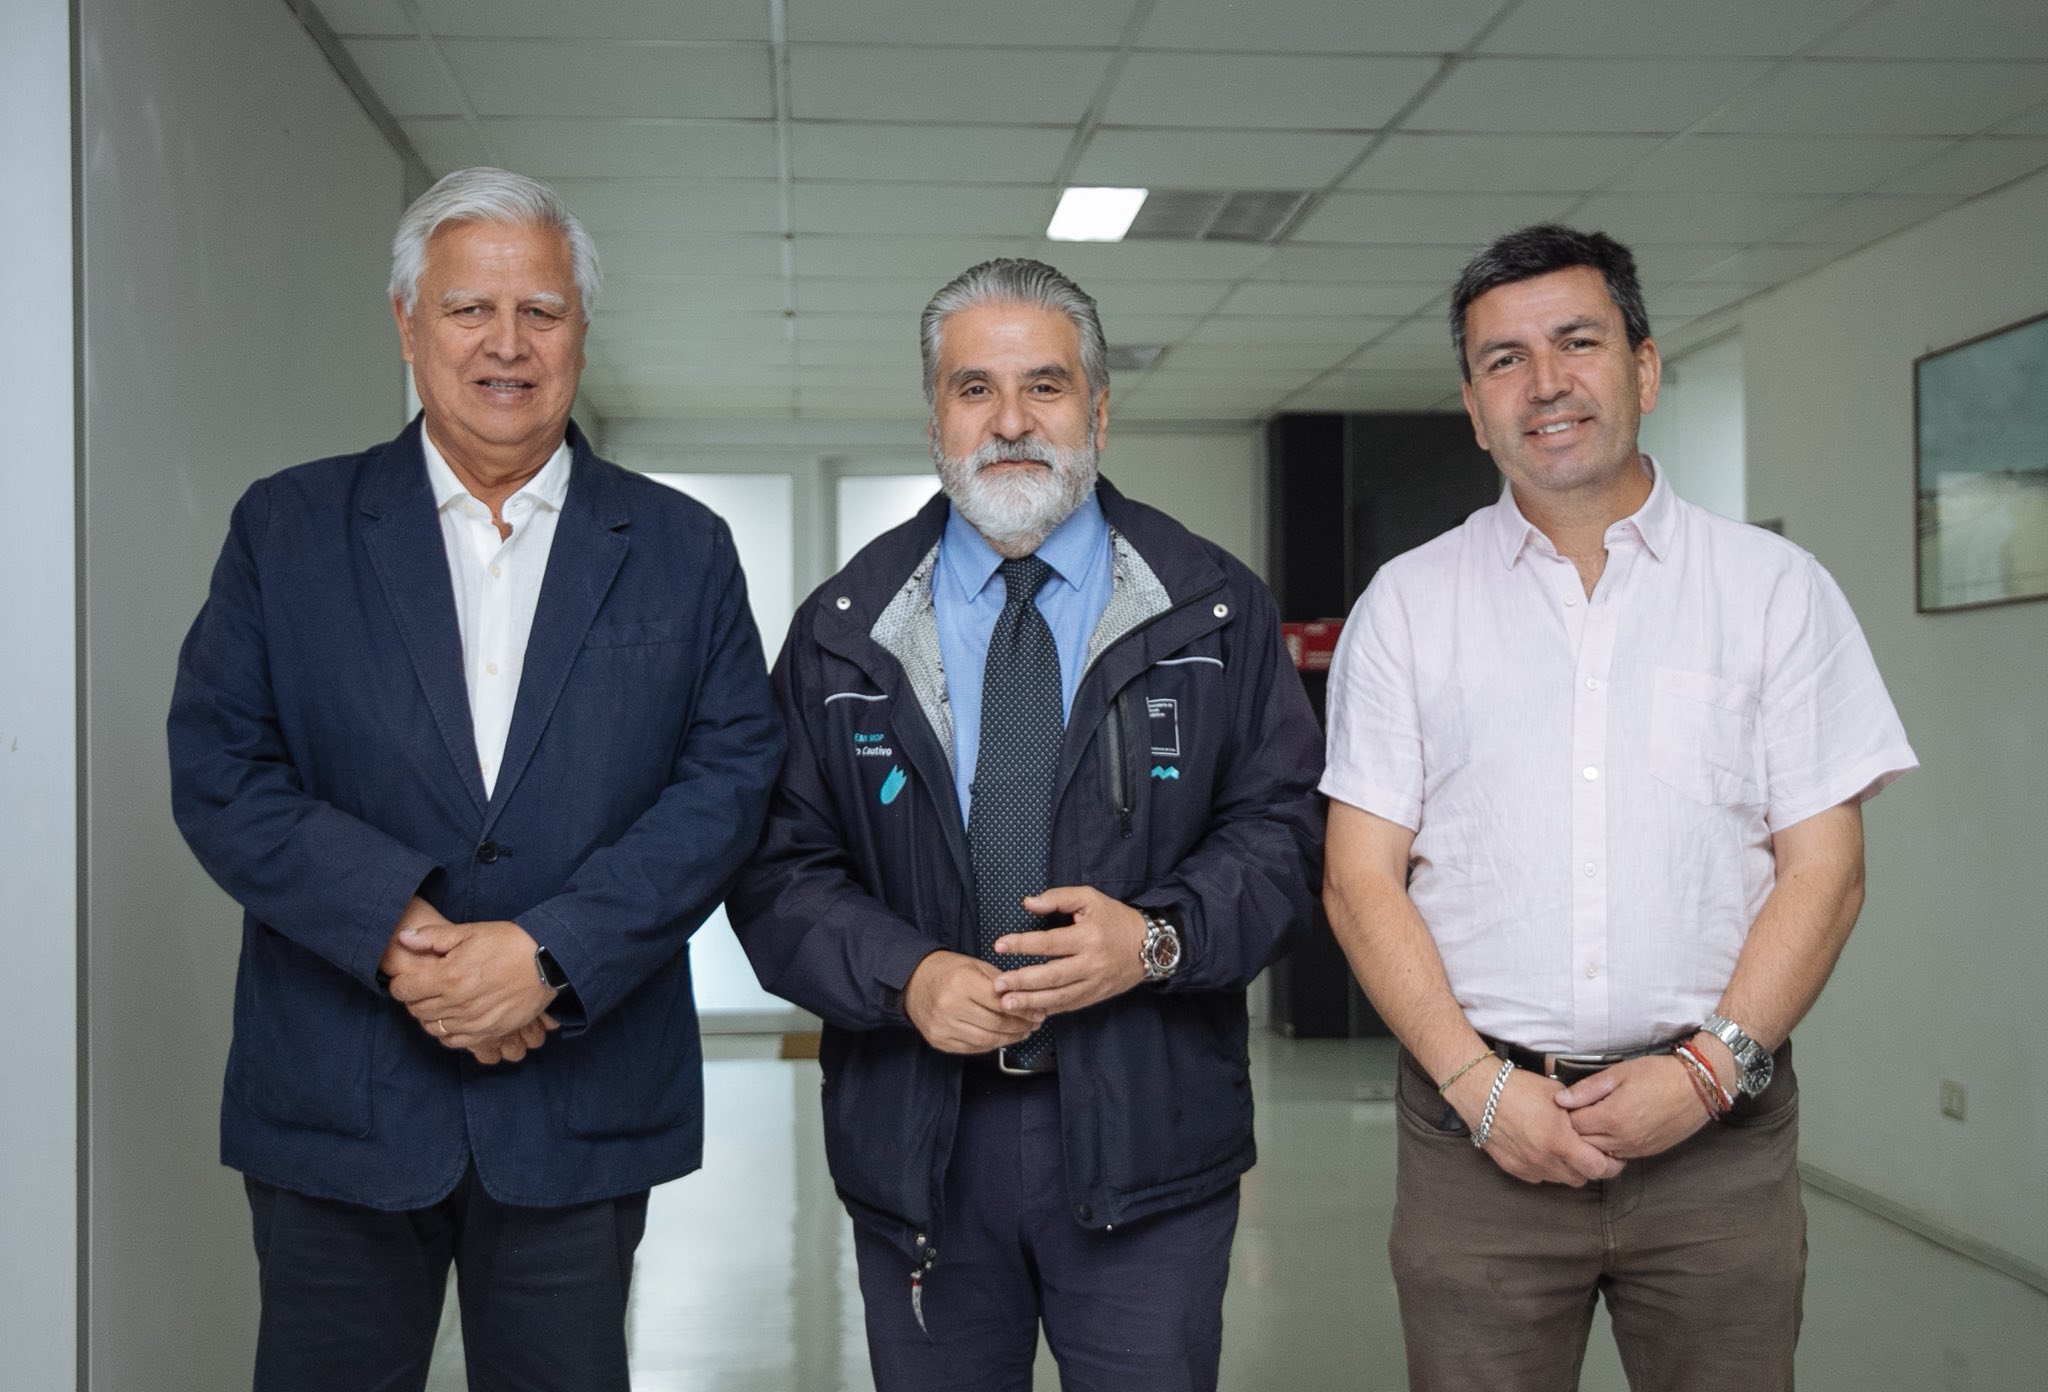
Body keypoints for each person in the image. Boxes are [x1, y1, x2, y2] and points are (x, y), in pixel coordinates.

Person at [167, 167, 781, 1392]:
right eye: (468, 310)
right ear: (408, 323)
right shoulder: (287, 530)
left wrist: (548, 955)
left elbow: (727, 784)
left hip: (579, 1104)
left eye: (540, 311)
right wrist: (401, 937)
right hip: (338, 1099)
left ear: (580, 331)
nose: (507, 344)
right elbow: (221, 766)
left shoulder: (682, 549)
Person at [1320, 223, 1918, 1391]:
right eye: (1502, 360)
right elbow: (1357, 878)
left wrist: (1704, 1074)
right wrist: (1479, 1089)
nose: (1543, 382)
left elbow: (1824, 872)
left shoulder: (1771, 592)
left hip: (1717, 1146)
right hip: (1475, 1139)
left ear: (1642, 369)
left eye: (1576, 343)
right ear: (1472, 408)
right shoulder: (1407, 605)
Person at [727, 258, 1323, 1391]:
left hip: (1149, 1131)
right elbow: (773, 869)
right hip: (922, 1138)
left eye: (1045, 386)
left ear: (1097, 410)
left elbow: (1286, 836)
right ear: (935, 419)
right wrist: (905, 976)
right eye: (975, 389)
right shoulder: (844, 630)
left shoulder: (1210, 609)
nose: (1010, 422)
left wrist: (1154, 940)